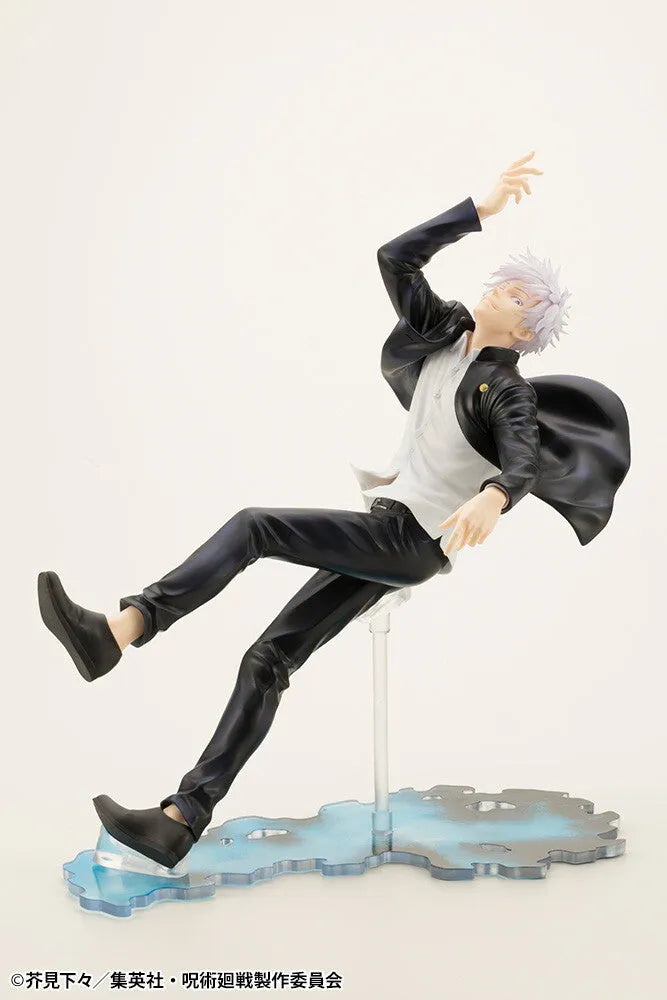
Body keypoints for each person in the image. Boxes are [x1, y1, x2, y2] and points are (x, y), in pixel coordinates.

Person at [37, 152, 630, 870]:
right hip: (387, 528)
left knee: (256, 526)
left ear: (526, 327)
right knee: (268, 659)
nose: (494, 290)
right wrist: (477, 210)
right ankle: (180, 819)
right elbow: (394, 258)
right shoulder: (443, 331)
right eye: (501, 281)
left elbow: (523, 460)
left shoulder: (507, 391)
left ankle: (126, 627)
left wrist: (495, 495)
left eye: (510, 294)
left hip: (411, 540)